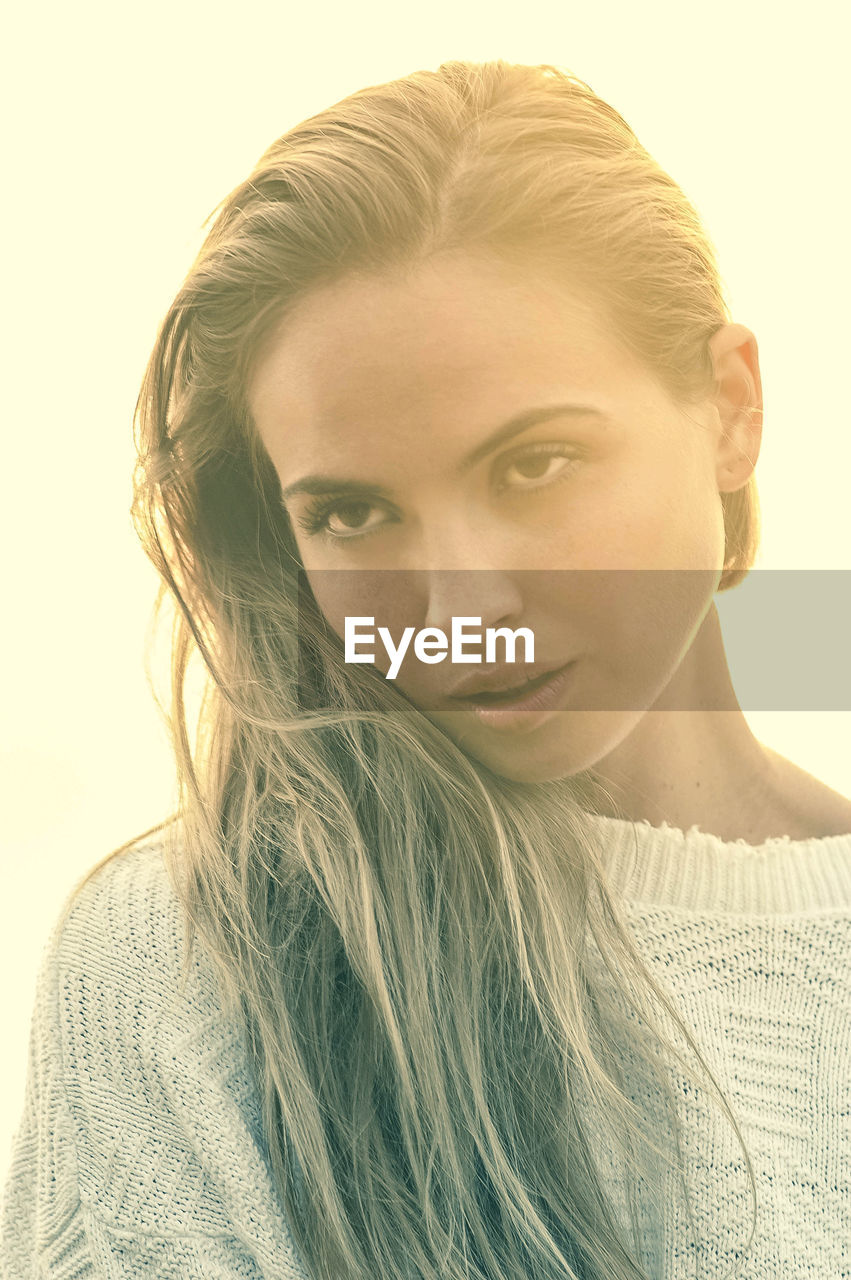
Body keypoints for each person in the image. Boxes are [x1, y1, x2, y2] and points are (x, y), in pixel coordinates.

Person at [3, 58, 850, 1280]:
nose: (458, 606)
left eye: (534, 465)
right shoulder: (197, 961)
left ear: (727, 405)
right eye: (351, 515)